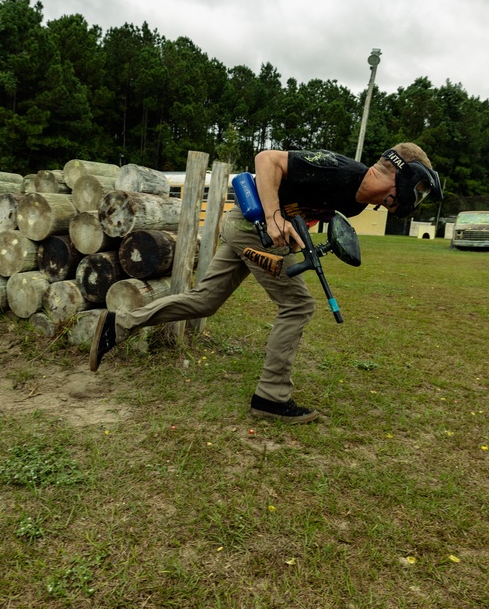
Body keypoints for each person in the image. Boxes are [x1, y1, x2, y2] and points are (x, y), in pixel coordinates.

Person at [89, 144, 442, 423]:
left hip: (250, 230)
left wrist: (296, 235)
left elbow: (304, 209)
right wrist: (273, 218)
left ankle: (117, 324)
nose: (417, 197)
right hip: (251, 224)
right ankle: (271, 397)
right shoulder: (340, 169)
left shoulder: (357, 205)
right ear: (401, 172)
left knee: (204, 301)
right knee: (298, 305)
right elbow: (267, 159)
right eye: (420, 189)